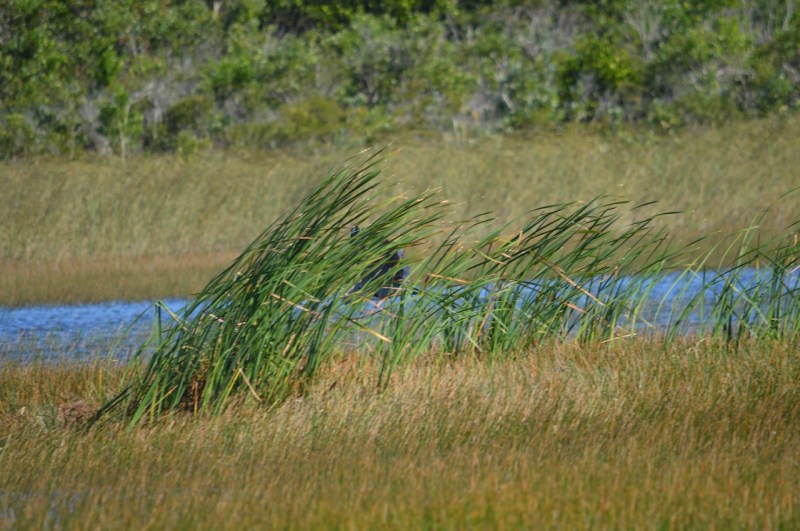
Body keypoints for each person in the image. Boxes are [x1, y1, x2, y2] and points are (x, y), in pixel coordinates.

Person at [349, 225, 409, 298]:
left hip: (383, 291)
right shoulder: (365, 257)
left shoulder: (389, 255)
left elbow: (401, 266)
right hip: (370, 290)